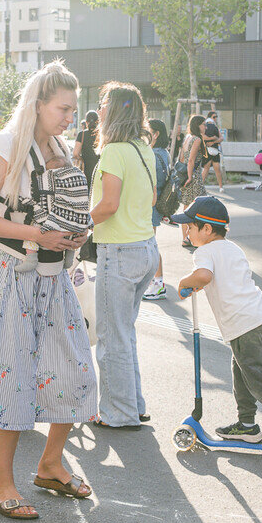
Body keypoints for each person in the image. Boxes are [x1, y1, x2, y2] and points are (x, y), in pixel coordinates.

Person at [0, 62, 97, 520]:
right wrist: (38, 234)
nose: (70, 117)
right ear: (38, 104)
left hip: (52, 272)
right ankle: (1, 485)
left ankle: (50, 464)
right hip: (12, 270)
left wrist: (74, 234)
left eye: (73, 109)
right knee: (12, 372)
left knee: (75, 366)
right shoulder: (5, 145)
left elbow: (63, 209)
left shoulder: (59, 147)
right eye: (63, 108)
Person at [171, 194, 262, 447]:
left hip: (243, 324)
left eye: (191, 227)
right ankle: (247, 425)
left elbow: (204, 276)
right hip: (258, 317)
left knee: (256, 379)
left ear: (207, 229)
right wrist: (198, 285)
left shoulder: (204, 251)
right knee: (241, 372)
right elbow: (224, 279)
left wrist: (184, 282)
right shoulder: (232, 248)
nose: (187, 232)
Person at [88, 82, 158, 429]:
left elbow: (109, 205)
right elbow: (153, 197)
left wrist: (80, 223)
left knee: (112, 337)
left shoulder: (114, 151)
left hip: (118, 250)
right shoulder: (143, 148)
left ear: (113, 110)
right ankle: (134, 404)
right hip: (146, 247)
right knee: (125, 333)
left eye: (103, 103)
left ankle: (119, 413)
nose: (99, 108)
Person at [144, 118, 173, 299]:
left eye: (147, 131)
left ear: (155, 134)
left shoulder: (153, 155)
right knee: (150, 244)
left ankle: (158, 284)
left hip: (151, 205)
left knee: (151, 245)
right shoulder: (164, 153)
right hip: (158, 203)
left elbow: (150, 184)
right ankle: (154, 282)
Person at [200, 109, 226, 190]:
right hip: (209, 150)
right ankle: (201, 187)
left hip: (212, 150)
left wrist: (213, 141)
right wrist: (213, 139)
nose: (215, 118)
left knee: (215, 169)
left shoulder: (215, 127)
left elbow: (221, 138)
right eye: (214, 117)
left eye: (216, 117)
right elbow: (202, 136)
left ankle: (220, 187)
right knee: (207, 169)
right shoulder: (205, 126)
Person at [74, 108, 100, 183]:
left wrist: (82, 158)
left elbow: (75, 153)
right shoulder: (102, 134)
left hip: (86, 168)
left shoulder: (81, 134)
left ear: (86, 122)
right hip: (100, 168)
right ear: (98, 121)